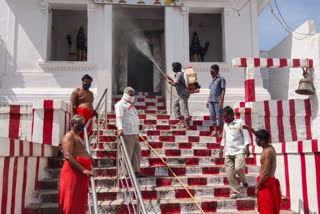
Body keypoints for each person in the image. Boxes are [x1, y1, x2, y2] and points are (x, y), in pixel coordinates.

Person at [58, 115, 94, 214]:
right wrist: (83, 169)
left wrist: (89, 158)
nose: (82, 126)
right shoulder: (69, 136)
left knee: (79, 200)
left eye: (83, 124)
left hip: (79, 174)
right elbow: (67, 155)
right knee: (71, 200)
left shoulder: (77, 136)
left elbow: (79, 151)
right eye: (80, 124)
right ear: (73, 124)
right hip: (72, 172)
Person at [242, 126, 281, 214]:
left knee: (267, 209)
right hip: (266, 182)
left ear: (262, 141)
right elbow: (259, 135)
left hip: (266, 183)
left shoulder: (267, 152)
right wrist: (250, 129)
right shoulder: (268, 147)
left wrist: (257, 186)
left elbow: (266, 172)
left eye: (257, 139)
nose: (256, 141)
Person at [219, 106, 250, 198]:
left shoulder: (239, 122)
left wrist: (247, 148)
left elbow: (246, 135)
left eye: (226, 116)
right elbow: (223, 138)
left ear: (232, 115)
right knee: (229, 174)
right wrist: (221, 149)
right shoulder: (225, 125)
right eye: (223, 117)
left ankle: (243, 180)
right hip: (228, 152)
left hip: (239, 150)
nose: (224, 119)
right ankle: (235, 193)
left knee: (239, 168)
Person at [115, 87, 142, 177]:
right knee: (127, 153)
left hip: (134, 132)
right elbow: (119, 117)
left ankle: (135, 171)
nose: (132, 96)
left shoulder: (132, 106)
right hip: (126, 132)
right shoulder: (120, 104)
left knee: (137, 152)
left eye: (133, 94)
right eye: (130, 94)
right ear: (125, 93)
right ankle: (124, 173)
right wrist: (120, 128)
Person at [70, 74, 96, 139]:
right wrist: (73, 117)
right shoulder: (77, 91)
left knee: (88, 131)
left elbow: (90, 103)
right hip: (81, 113)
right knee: (80, 130)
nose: (88, 83)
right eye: (86, 81)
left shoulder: (91, 93)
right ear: (82, 81)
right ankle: (78, 145)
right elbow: (72, 105)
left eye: (89, 82)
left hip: (89, 114)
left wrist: (94, 113)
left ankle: (85, 146)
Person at [166, 62, 191, 130]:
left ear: (175, 68)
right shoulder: (179, 74)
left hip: (183, 94)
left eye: (173, 67)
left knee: (184, 108)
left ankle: (188, 126)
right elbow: (176, 82)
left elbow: (175, 84)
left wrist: (170, 82)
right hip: (181, 94)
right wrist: (168, 78)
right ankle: (180, 120)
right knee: (175, 105)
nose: (172, 69)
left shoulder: (179, 74)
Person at [206, 64, 226, 137]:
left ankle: (221, 132)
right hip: (211, 101)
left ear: (215, 70)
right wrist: (207, 100)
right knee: (212, 116)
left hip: (218, 101)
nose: (210, 71)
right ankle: (215, 131)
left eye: (211, 69)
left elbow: (223, 90)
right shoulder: (211, 80)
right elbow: (211, 91)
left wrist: (221, 99)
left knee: (219, 116)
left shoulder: (221, 79)